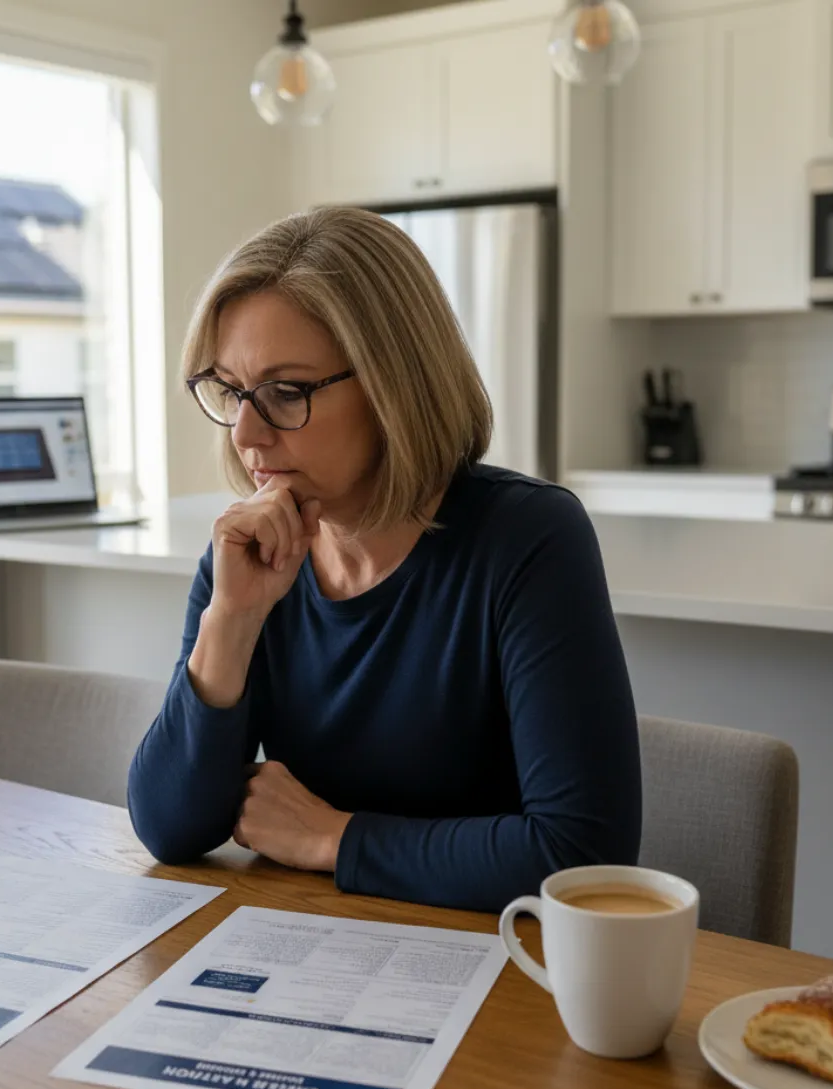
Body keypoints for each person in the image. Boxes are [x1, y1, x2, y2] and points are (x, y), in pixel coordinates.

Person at [127, 206, 641, 912]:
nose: (246, 434)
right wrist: (231, 621)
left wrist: (334, 839)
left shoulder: (528, 538)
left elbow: (583, 855)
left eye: (285, 393)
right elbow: (170, 828)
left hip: (496, 960)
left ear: (393, 385)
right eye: (232, 392)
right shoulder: (249, 558)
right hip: (315, 942)